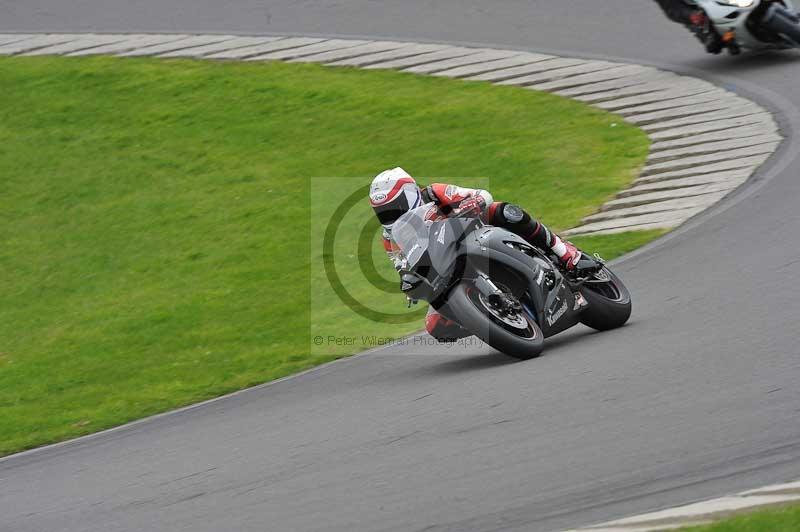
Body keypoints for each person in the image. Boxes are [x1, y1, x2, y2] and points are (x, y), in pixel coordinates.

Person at [369, 167, 582, 342]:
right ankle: (492, 319)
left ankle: (564, 253)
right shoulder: (391, 239)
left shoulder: (433, 194)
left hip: (479, 233)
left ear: (411, 193)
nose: (391, 215)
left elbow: (482, 195)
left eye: (394, 207)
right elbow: (404, 267)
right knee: (435, 326)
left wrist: (473, 202)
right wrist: (410, 284)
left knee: (505, 211)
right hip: (446, 267)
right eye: (383, 212)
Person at [654, 0, 724, 53]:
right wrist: (691, 15)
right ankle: (707, 34)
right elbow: (672, 9)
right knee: (714, 44)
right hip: (692, 11)